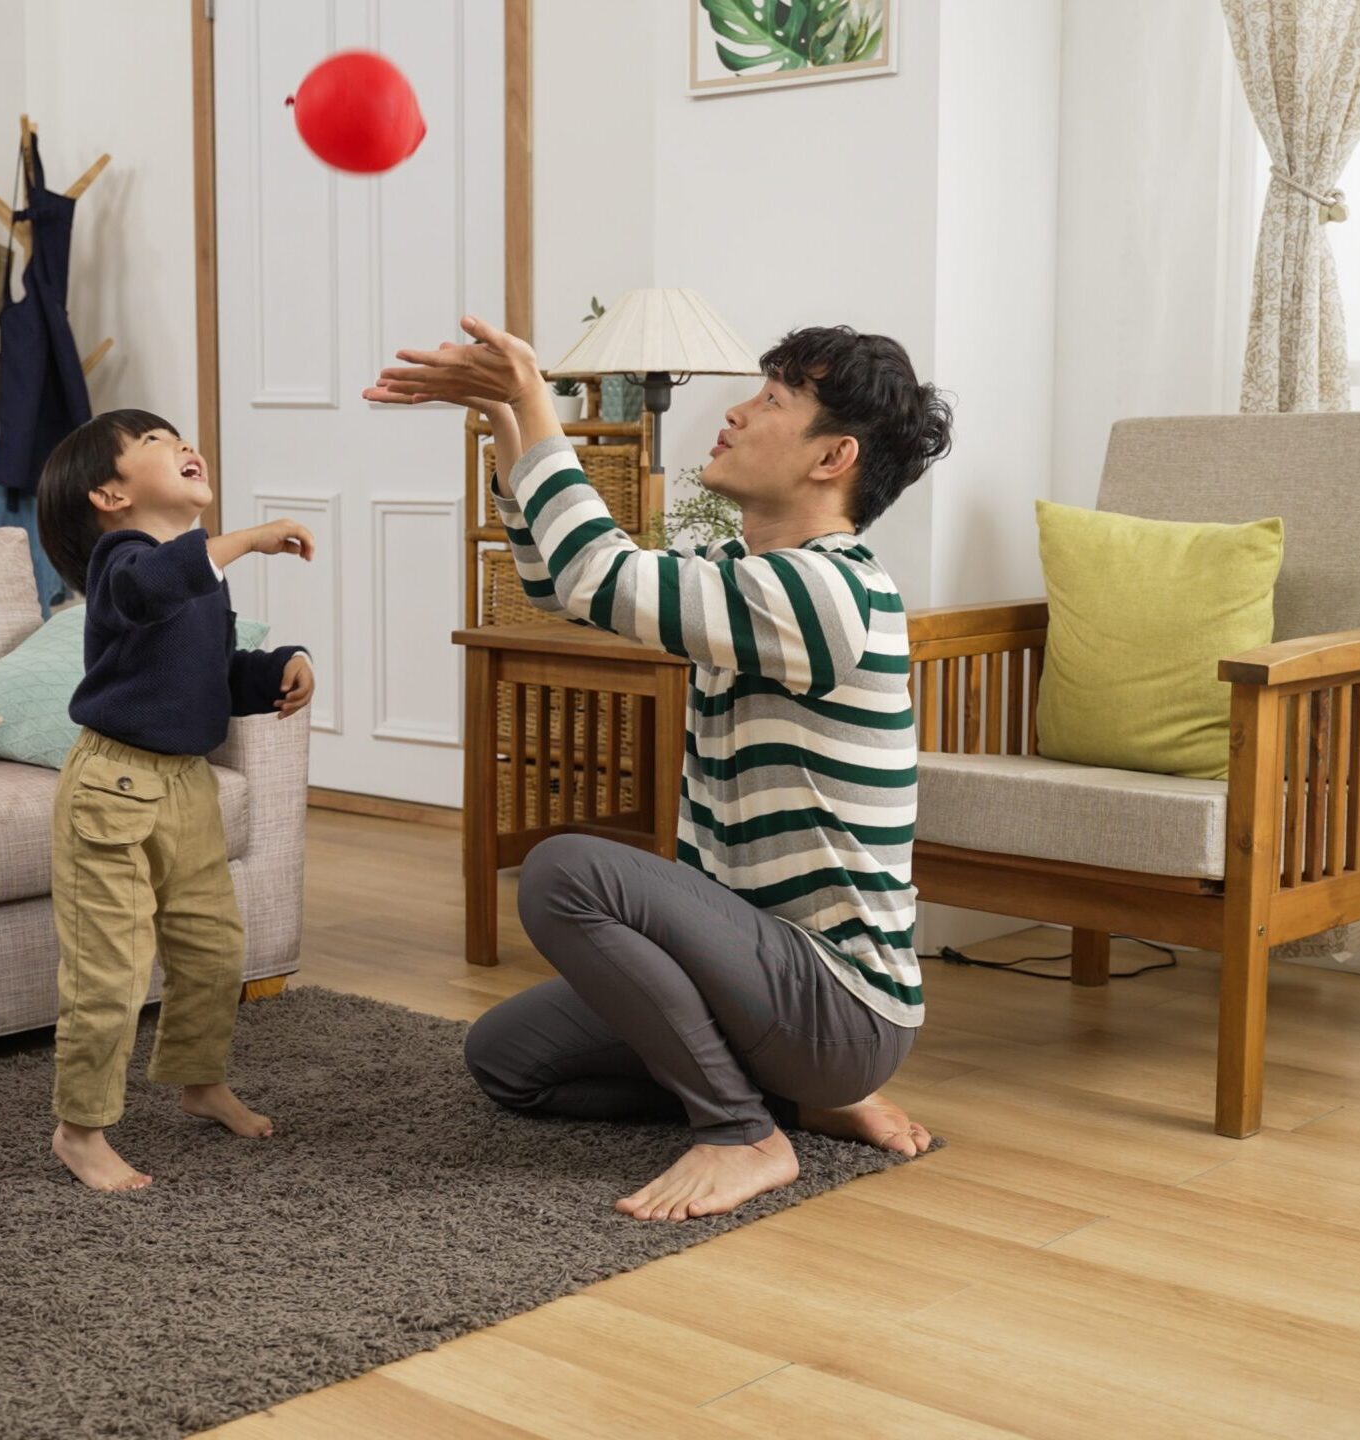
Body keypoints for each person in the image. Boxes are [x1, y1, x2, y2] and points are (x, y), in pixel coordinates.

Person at [366, 318, 950, 1221]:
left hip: (837, 1001)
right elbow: (562, 583)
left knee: (566, 870)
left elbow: (598, 571)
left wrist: (531, 397)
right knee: (507, 1061)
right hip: (755, 984)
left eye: (771, 401)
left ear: (831, 457)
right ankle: (795, 1104)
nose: (735, 412)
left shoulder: (827, 592)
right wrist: (505, 419)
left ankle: (741, 1133)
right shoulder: (742, 574)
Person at [35, 410, 315, 1191]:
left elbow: (210, 673)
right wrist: (243, 541)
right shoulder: (121, 567)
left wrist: (279, 668)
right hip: (111, 789)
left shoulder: (198, 580)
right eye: (154, 444)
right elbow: (154, 587)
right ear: (108, 495)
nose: (184, 445)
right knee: (109, 974)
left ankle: (199, 1082)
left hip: (186, 786)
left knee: (212, 949)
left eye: (180, 436)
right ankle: (80, 1129)